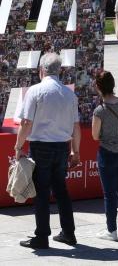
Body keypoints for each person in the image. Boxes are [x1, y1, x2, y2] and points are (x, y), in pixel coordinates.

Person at [14, 53, 80, 249]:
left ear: (41, 70)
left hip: (41, 146)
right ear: (59, 70)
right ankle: (68, 233)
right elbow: (76, 126)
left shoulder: (35, 91)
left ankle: (42, 236)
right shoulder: (69, 94)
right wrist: (75, 151)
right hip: (62, 146)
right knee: (61, 191)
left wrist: (18, 147)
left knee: (41, 192)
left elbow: (26, 123)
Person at [91, 71, 118, 240]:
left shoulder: (99, 111)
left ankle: (111, 231)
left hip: (108, 154)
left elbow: (95, 136)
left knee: (109, 194)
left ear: (98, 87)